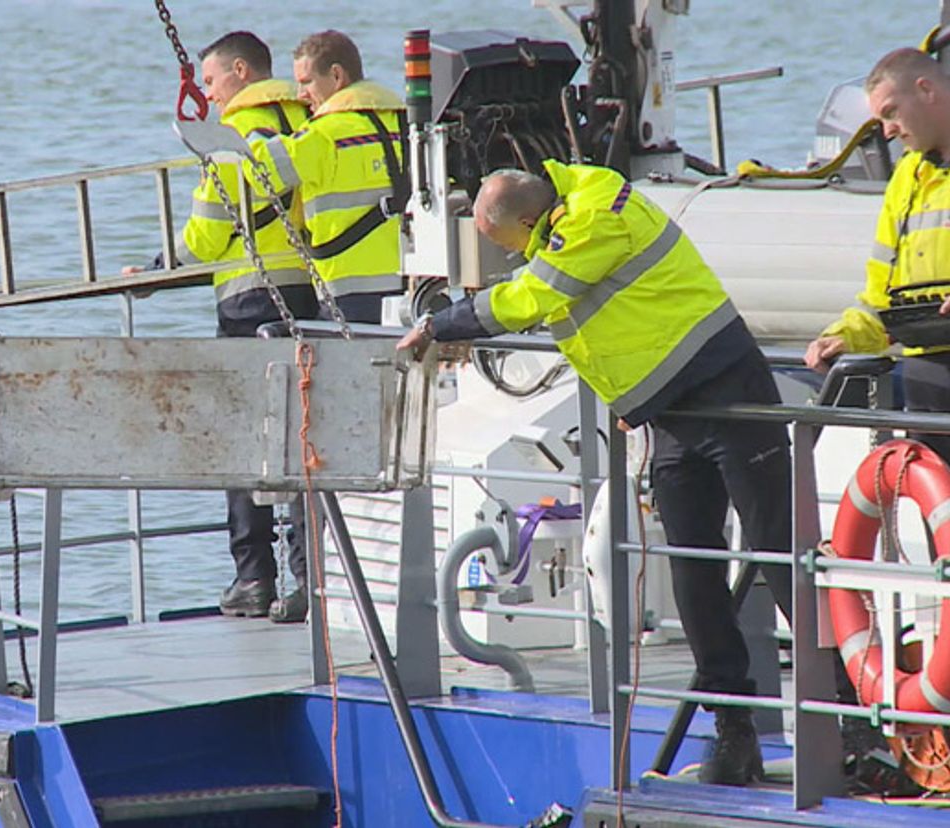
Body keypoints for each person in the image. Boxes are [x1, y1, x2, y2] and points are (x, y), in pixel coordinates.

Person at [398, 160, 814, 787]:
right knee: (694, 576)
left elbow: (533, 297)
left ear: (530, 220)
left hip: (731, 396)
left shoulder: (593, 213)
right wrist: (629, 401)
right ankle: (735, 732)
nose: (511, 256)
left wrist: (441, 324)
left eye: (505, 242)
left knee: (782, 559)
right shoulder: (560, 222)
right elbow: (601, 318)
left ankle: (853, 724)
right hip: (672, 414)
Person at [127, 31, 317, 622]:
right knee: (307, 440)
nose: (205, 95)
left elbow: (207, 236)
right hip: (313, 298)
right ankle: (311, 577)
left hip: (248, 303)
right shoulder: (311, 120)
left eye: (209, 81)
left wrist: (157, 270)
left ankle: (254, 578)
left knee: (246, 444)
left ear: (240, 72)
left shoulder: (234, 137)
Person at [805, 47, 950, 463]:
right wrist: (844, 336)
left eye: (891, 112)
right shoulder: (906, 176)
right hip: (928, 379)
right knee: (937, 516)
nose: (886, 131)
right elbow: (881, 295)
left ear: (926, 90)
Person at [247, 30, 406, 324]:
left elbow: (262, 174)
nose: (300, 95)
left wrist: (253, 131)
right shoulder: (405, 125)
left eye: (306, 82)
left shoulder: (324, 134)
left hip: (351, 296)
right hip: (414, 288)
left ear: (336, 76)